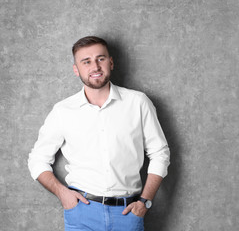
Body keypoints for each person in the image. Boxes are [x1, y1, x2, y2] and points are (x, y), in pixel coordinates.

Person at [28, 36, 170, 231]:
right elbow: (37, 160)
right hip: (81, 215)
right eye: (86, 62)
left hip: (128, 214)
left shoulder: (138, 103)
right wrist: (62, 193)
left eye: (100, 59)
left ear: (110, 62)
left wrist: (144, 201)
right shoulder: (63, 111)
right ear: (76, 69)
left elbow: (160, 153)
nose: (95, 66)